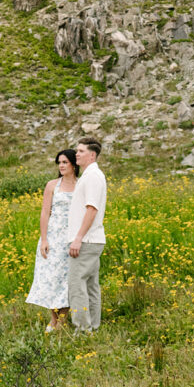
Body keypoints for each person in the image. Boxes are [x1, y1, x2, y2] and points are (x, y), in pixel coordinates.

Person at [26, 149, 79, 331]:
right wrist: (44, 239)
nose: (62, 166)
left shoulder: (80, 185)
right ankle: (53, 320)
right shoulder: (52, 185)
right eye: (59, 163)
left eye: (65, 162)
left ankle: (62, 321)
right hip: (54, 238)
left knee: (67, 281)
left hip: (71, 239)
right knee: (52, 279)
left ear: (74, 164)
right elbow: (45, 212)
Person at [68, 137, 106, 334]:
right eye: (77, 150)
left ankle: (82, 330)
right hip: (92, 239)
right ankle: (93, 326)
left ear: (92, 155)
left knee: (77, 285)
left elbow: (91, 209)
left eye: (81, 151)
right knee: (91, 285)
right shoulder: (92, 175)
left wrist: (78, 238)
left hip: (86, 240)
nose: (77, 154)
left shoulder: (92, 177)